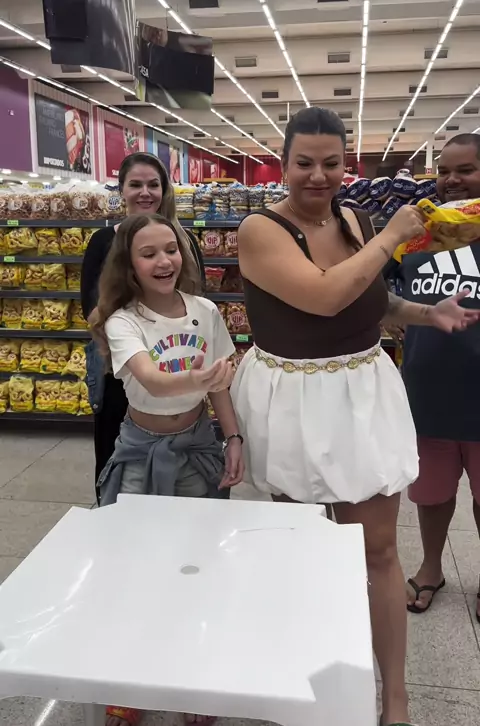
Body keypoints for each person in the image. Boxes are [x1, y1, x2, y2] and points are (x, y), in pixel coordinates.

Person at [230, 107, 479, 726]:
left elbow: (368, 296)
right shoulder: (260, 230)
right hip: (293, 397)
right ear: (283, 165)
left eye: (331, 163)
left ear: (347, 165)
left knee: (379, 550)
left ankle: (395, 699)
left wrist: (424, 313)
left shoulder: (355, 219)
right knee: (303, 547)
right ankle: (309, 676)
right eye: (304, 163)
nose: (318, 175)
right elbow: (323, 296)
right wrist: (390, 237)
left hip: (360, 393)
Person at [90, 213, 244, 726]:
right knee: (134, 566)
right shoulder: (123, 321)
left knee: (196, 565)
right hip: (140, 452)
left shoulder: (205, 311)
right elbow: (152, 380)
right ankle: (129, 681)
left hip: (197, 446)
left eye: (171, 249)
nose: (164, 261)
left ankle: (192, 679)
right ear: (130, 265)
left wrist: (233, 437)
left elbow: (221, 388)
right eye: (149, 253)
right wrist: (201, 378)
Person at [81, 152, 204, 491]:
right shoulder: (103, 242)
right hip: (119, 369)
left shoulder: (185, 242)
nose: (145, 192)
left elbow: (198, 305)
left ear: (164, 190)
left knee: (183, 471)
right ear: (121, 189)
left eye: (153, 184)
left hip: (175, 361)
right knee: (115, 461)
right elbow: (91, 312)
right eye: (135, 184)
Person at [399, 133, 480, 618]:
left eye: (465, 170)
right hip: (428, 394)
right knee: (431, 494)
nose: (451, 180)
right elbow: (389, 293)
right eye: (444, 171)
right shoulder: (418, 235)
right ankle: (431, 567)